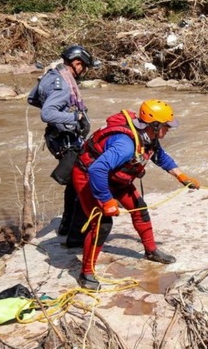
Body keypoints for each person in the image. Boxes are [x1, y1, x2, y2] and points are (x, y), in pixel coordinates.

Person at [71, 99, 201, 290]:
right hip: (89, 176)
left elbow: (160, 156)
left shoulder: (148, 136)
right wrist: (107, 200)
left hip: (115, 177)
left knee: (140, 209)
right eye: (166, 126)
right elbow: (97, 170)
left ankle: (151, 251)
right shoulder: (125, 145)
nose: (169, 130)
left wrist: (181, 176)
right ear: (154, 125)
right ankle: (86, 273)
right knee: (102, 224)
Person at [26, 45, 98, 248]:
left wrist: (63, 113)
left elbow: (32, 98)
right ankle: (74, 236)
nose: (83, 71)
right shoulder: (63, 85)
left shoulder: (51, 75)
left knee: (74, 183)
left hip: (57, 137)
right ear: (76, 63)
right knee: (81, 183)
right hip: (65, 141)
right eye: (83, 67)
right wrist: (74, 116)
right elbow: (47, 113)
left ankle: (66, 225)